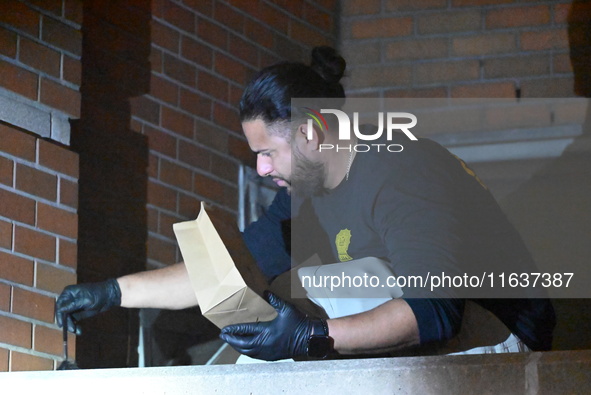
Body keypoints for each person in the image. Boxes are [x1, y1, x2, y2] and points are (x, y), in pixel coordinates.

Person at [56, 47, 555, 362]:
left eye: (268, 153)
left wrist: (310, 338)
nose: (262, 170)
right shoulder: (306, 195)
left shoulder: (402, 172)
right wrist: (111, 293)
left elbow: (436, 311)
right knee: (267, 319)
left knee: (328, 293)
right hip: (435, 332)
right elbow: (223, 274)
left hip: (503, 339)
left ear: (313, 133)